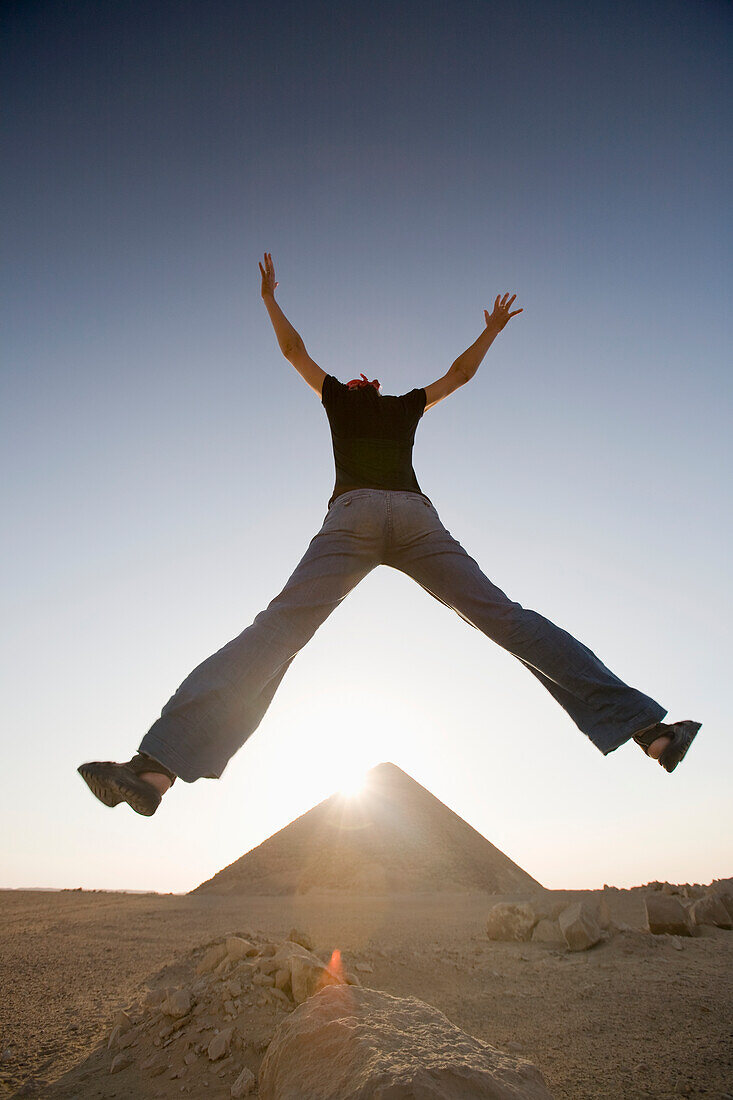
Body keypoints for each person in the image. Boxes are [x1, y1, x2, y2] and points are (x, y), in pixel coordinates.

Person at [78, 252, 701, 816]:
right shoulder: (401, 405)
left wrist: (270, 299)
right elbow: (458, 376)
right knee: (506, 619)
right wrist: (491, 330)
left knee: (280, 628)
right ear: (366, 391)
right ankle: (652, 733)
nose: (363, 376)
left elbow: (294, 351)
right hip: (413, 516)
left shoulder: (338, 401)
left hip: (352, 515)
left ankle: (157, 769)